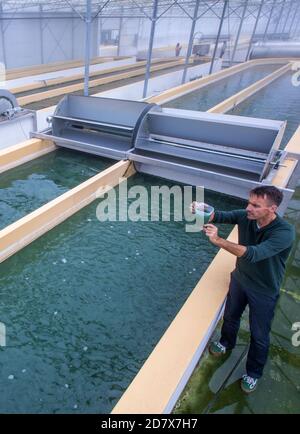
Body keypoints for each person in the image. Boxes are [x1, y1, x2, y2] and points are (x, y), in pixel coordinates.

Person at [191, 185, 295, 394]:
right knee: (230, 317)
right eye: (249, 202)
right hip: (240, 279)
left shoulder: (284, 233)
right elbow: (218, 215)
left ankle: (253, 373)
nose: (248, 208)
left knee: (259, 335)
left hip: (264, 290)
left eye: (255, 205)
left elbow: (253, 254)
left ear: (272, 209)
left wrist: (218, 240)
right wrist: (203, 209)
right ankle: (226, 342)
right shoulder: (246, 216)